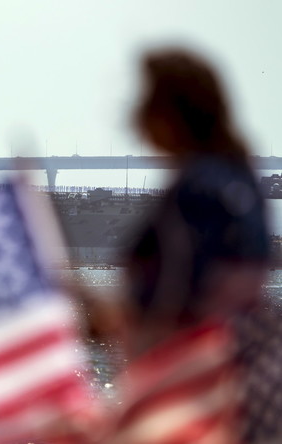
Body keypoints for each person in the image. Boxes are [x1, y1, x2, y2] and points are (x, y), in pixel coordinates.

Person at [114, 47, 277, 442]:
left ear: (170, 115)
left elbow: (173, 297)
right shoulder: (242, 179)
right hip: (253, 374)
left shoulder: (193, 192)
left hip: (189, 378)